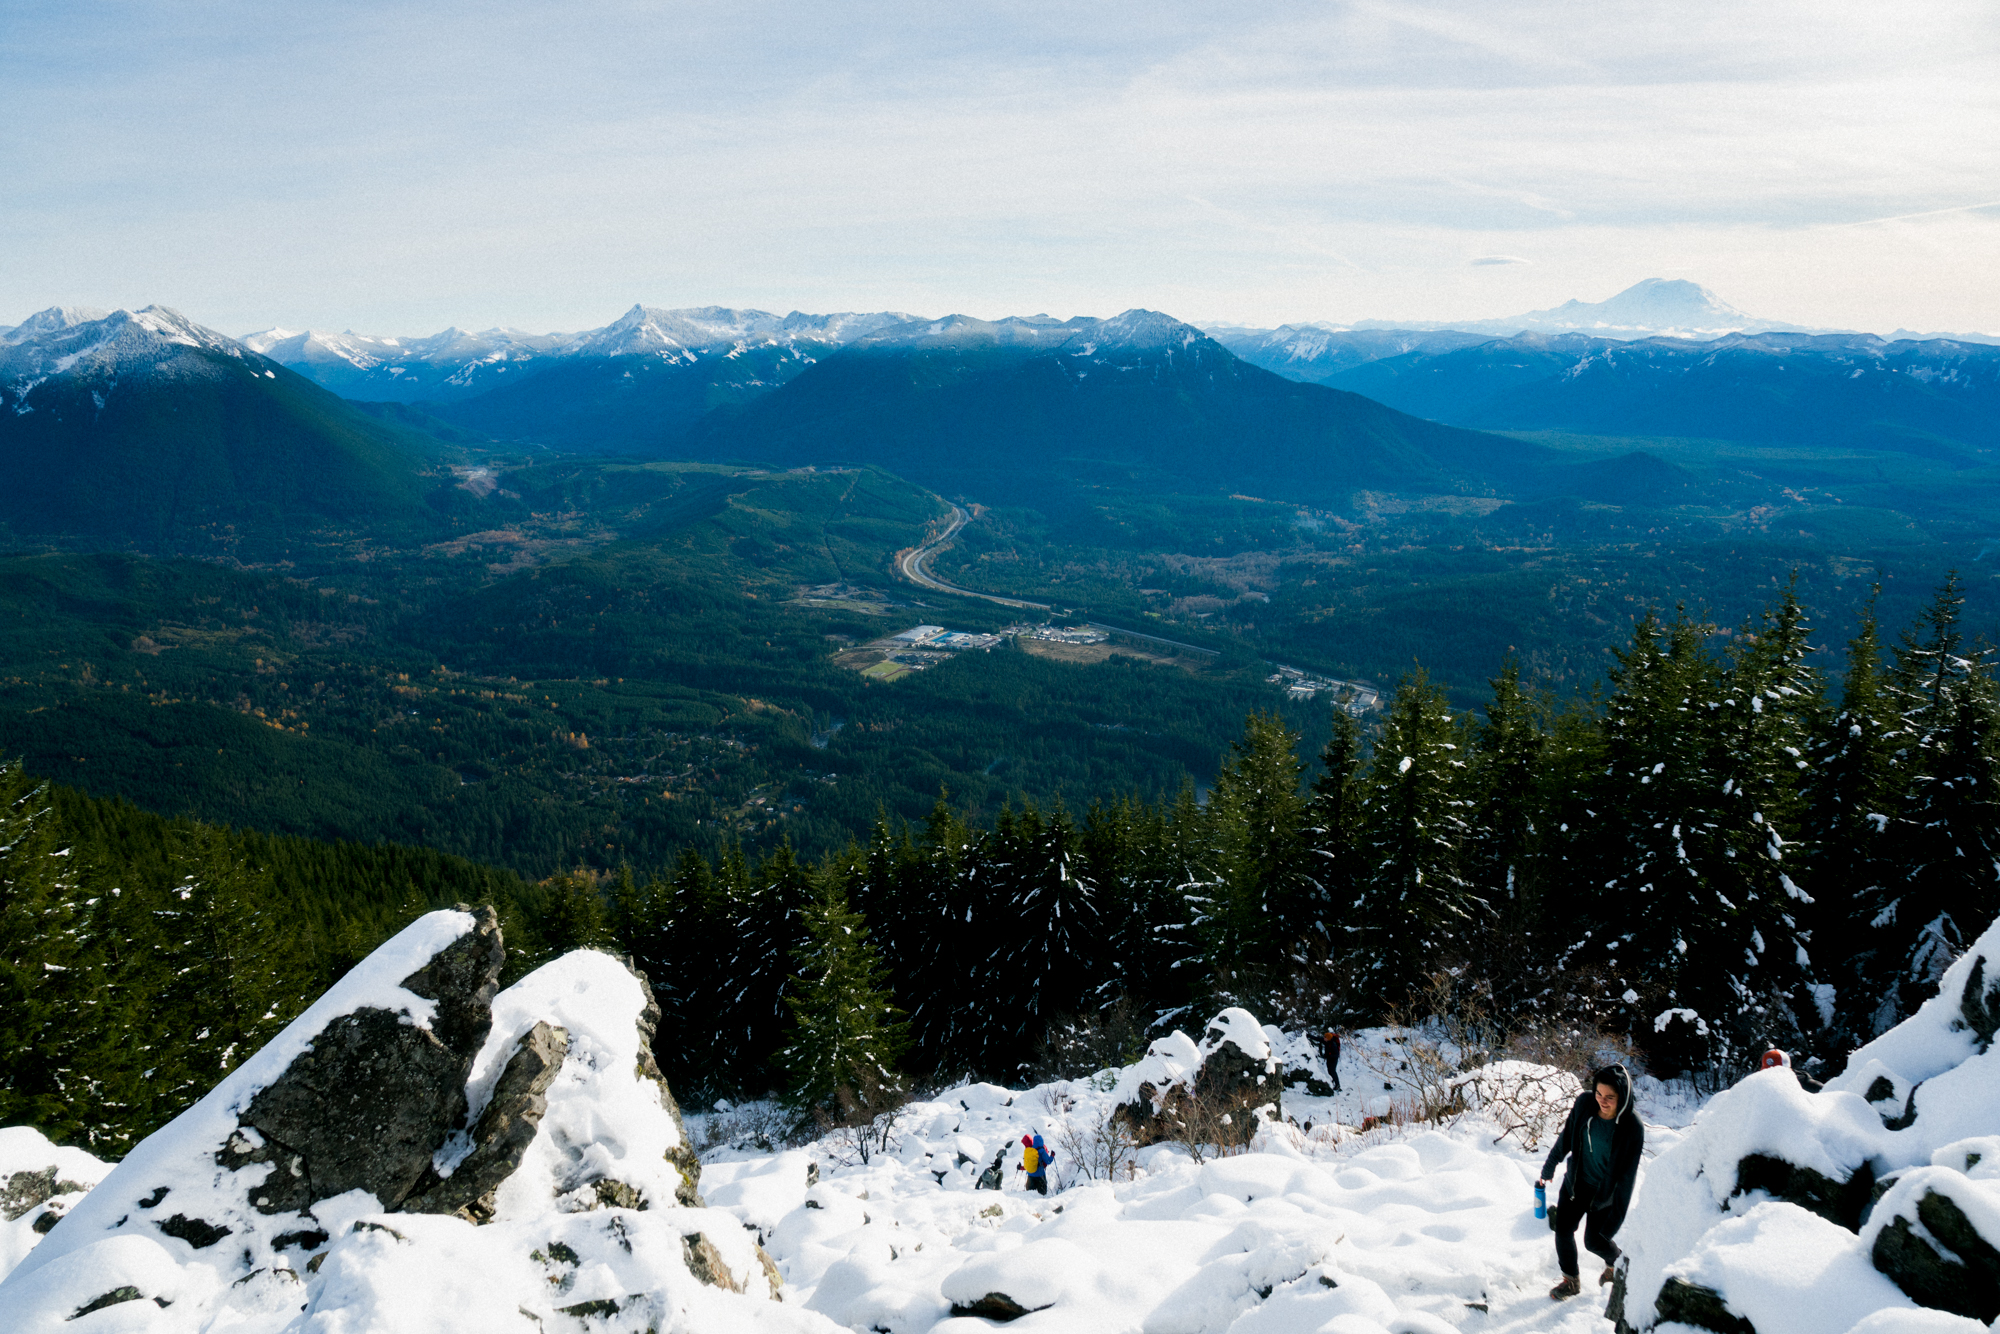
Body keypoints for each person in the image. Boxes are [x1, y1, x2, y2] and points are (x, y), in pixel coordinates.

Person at [1538, 1063, 1643, 1301]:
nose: (1602, 1101)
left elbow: (1627, 1178)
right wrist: (1551, 1163)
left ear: (1623, 1097)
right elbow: (1568, 1135)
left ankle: (1616, 1263)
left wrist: (1613, 1221)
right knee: (1563, 1230)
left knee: (1594, 1242)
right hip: (1576, 1183)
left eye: (1610, 1097)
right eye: (1598, 1093)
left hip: (1605, 1195)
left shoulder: (1632, 1128)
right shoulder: (1585, 1104)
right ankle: (1571, 1281)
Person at [1319, 1028, 1343, 1093]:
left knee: (1333, 1071)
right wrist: (1309, 1036)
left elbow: (1336, 1055)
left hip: (1333, 1060)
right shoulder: (1326, 1041)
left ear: (1328, 1038)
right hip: (1329, 1059)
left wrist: (1328, 1056)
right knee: (1329, 1071)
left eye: (1325, 1037)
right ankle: (1332, 1081)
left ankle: (1337, 1085)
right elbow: (1318, 1038)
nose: (1323, 1038)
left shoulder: (1333, 1045)